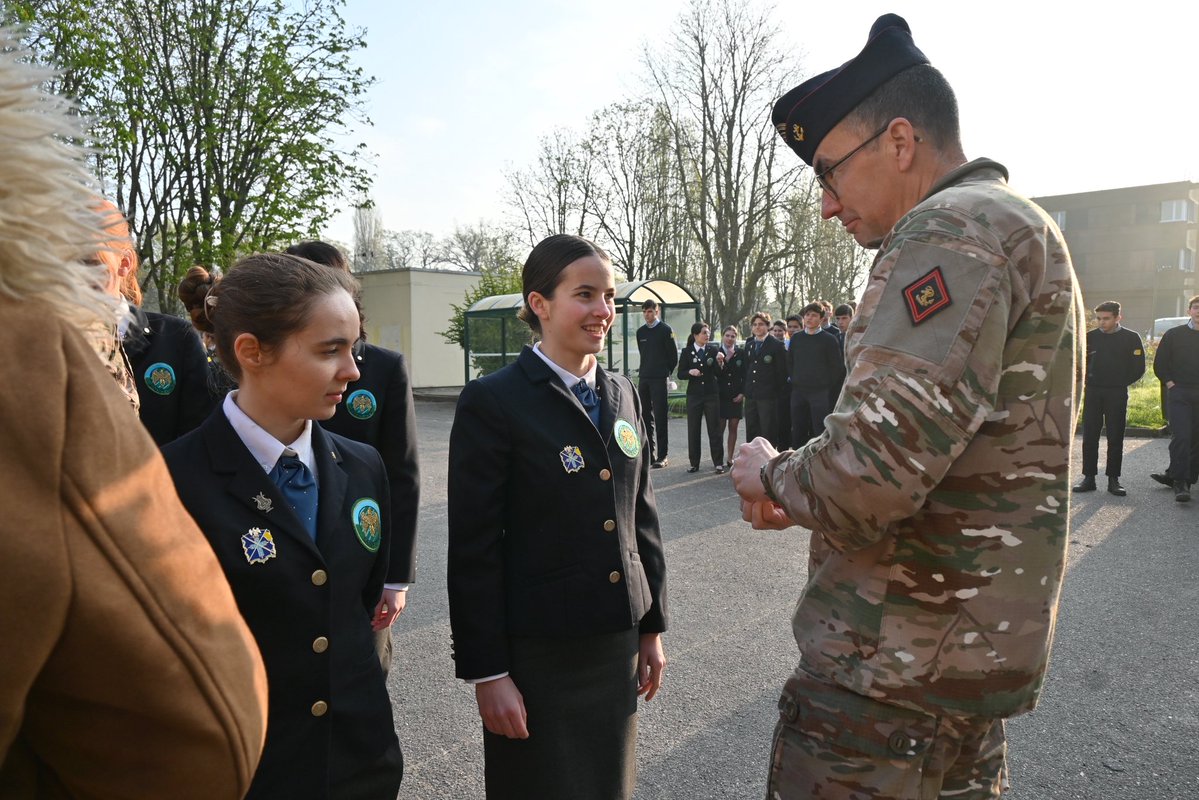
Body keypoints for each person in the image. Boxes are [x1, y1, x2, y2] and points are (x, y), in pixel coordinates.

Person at [732, 14, 1082, 798]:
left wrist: (771, 475)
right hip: (949, 674)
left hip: (885, 683)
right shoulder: (1014, 223)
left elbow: (869, 470)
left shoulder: (950, 229)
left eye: (828, 173)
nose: (825, 204)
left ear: (898, 143)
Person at [0, 32, 267, 798]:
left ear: (125, 266)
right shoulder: (35, 356)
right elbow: (201, 732)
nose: (81, 280)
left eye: (97, 262)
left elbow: (195, 438)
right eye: (66, 262)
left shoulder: (169, 342)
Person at [161, 255, 404, 799]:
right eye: (329, 351)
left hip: (357, 764)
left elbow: (355, 606)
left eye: (353, 348)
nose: (353, 371)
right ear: (251, 351)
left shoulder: (362, 466)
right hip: (243, 771)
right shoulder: (170, 481)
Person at [447, 234, 668, 800]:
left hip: (614, 642)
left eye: (610, 296)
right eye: (586, 294)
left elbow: (640, 514)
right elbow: (474, 547)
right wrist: (488, 671)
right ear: (539, 304)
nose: (603, 312)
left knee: (607, 785)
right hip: (538, 653)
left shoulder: (621, 394)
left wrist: (651, 627)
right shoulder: (493, 401)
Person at [286, 239, 421, 671]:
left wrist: (395, 576)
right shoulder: (275, 367)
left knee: (363, 674)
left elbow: (402, 473)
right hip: (288, 544)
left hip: (361, 553)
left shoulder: (381, 369)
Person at [95, 206, 217, 445]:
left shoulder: (175, 339)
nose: (73, 277)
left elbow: (200, 438)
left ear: (124, 263)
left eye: (87, 262)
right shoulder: (39, 342)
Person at [1073, 301, 1145, 496]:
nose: (1101, 322)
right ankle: (1089, 478)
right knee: (1090, 436)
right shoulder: (1090, 338)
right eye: (1098, 319)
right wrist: (1087, 380)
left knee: (1115, 436)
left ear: (1117, 318)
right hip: (1093, 391)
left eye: (1106, 319)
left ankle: (1114, 480)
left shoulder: (1131, 338)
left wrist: (1120, 382)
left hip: (1117, 393)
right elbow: (1079, 364)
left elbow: (1139, 367)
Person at [1151, 295, 1199, 502]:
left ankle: (1181, 477)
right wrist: (1170, 382)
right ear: (1189, 311)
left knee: (1196, 440)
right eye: (1196, 307)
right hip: (1180, 392)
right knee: (1181, 436)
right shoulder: (1174, 335)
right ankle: (1180, 482)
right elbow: (1160, 363)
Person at [787, 302, 846, 447]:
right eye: (807, 315)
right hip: (799, 391)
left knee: (819, 429)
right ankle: (796, 462)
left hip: (819, 393)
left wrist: (824, 385)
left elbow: (836, 368)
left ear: (821, 319)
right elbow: (790, 362)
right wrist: (795, 380)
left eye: (814, 315)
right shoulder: (796, 338)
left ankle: (819, 462)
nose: (809, 318)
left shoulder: (829, 339)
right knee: (798, 427)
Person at [677, 321, 725, 473]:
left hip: (711, 394)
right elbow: (680, 373)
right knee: (693, 429)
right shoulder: (687, 352)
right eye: (704, 332)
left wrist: (720, 362)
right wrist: (690, 372)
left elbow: (719, 373)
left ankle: (718, 462)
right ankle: (694, 463)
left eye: (708, 332)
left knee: (714, 429)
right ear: (695, 335)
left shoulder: (713, 350)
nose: (707, 335)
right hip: (694, 395)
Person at [636, 298, 678, 468]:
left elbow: (673, 357)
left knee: (660, 417)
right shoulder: (640, 332)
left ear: (657, 311)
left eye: (650, 311)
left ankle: (663, 455)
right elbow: (643, 353)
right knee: (645, 416)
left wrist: (664, 373)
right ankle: (649, 454)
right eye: (645, 311)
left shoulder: (666, 330)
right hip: (644, 378)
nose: (647, 314)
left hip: (659, 379)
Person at [742, 311, 787, 447]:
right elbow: (746, 370)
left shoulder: (776, 345)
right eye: (754, 324)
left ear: (768, 326)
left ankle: (768, 463)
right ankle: (751, 460)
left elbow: (782, 374)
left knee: (768, 430)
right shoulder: (749, 345)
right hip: (751, 395)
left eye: (761, 324)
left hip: (768, 396)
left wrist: (775, 393)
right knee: (751, 429)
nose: (757, 327)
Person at [717, 324, 747, 468]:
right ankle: (718, 458)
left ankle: (730, 457)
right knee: (720, 427)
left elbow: (745, 375)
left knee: (733, 427)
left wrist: (743, 393)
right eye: (727, 335)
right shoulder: (716, 352)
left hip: (736, 395)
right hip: (720, 395)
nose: (730, 339)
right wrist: (720, 362)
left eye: (733, 336)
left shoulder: (741, 353)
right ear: (723, 336)